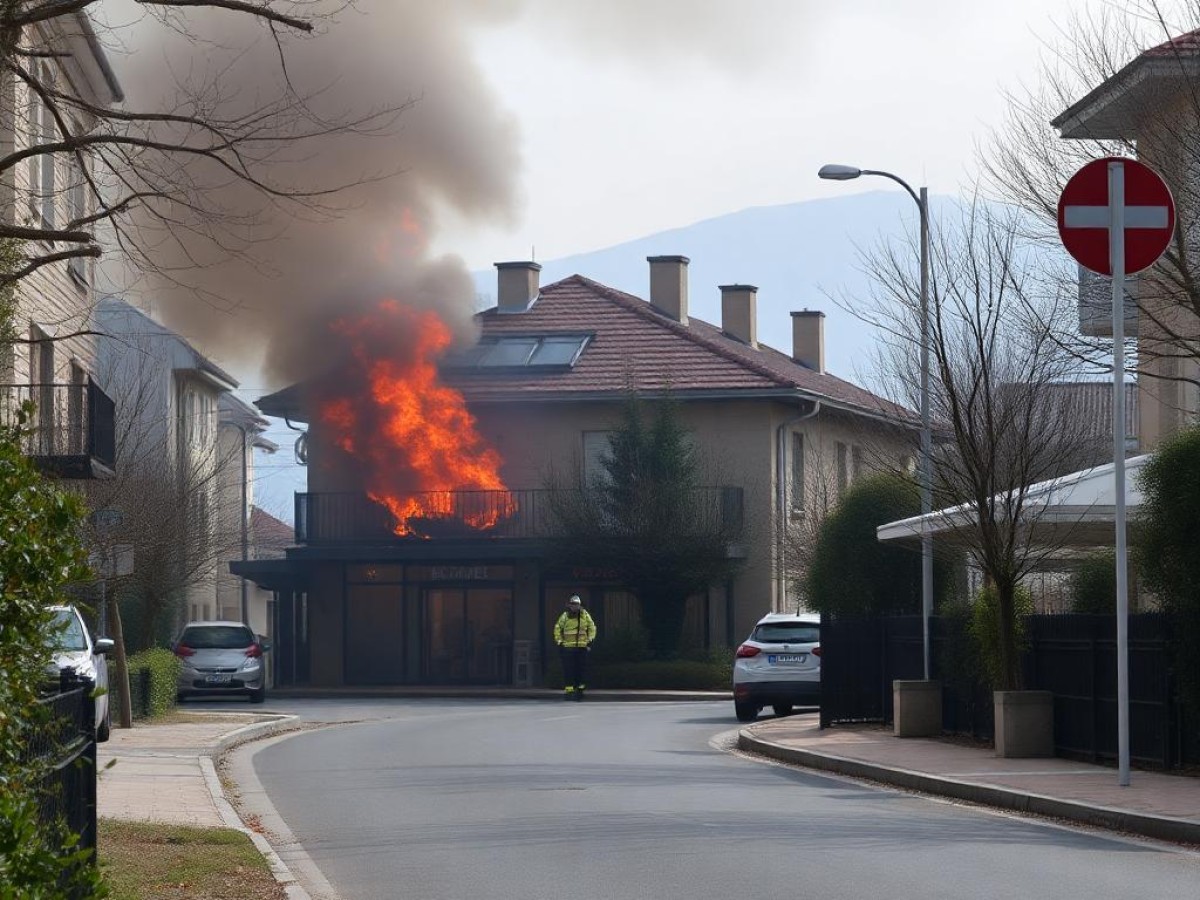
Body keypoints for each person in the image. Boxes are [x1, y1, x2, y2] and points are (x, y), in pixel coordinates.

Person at [553, 594, 596, 700]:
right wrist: (559, 641)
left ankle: (580, 691)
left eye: (576, 604)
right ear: (569, 605)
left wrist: (590, 640)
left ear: (579, 605)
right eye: (572, 604)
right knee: (569, 670)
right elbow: (557, 628)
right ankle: (569, 692)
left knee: (581, 670)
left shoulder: (584, 615)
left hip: (582, 647)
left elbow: (592, 627)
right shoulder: (565, 616)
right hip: (568, 648)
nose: (574, 606)